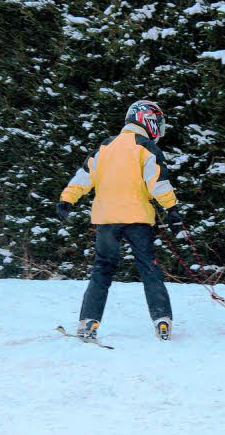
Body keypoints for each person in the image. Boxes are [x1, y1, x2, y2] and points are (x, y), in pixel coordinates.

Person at [56, 100, 184, 341]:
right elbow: (158, 184)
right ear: (146, 120)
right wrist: (172, 209)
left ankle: (89, 321)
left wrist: (66, 200)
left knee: (102, 270)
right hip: (137, 220)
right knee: (149, 269)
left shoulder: (105, 147)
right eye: (157, 123)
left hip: (107, 221)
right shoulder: (145, 147)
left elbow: (83, 177)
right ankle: (162, 320)